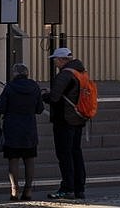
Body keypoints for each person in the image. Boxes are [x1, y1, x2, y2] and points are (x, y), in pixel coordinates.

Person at [0, 62, 44, 201]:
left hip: (12, 127)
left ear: (14, 74)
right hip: (29, 127)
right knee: (29, 159)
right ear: (27, 73)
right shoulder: (34, 86)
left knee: (13, 159)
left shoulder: (10, 87)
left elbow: (1, 108)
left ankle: (14, 190)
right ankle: (28, 191)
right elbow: (39, 109)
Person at [43, 47, 87, 200]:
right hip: (78, 117)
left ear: (63, 60)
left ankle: (67, 188)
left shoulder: (65, 74)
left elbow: (54, 98)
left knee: (64, 154)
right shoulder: (80, 72)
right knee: (76, 152)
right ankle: (79, 188)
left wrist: (44, 95)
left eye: (56, 59)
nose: (55, 62)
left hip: (64, 119)